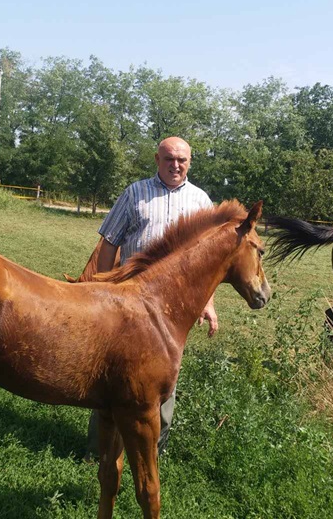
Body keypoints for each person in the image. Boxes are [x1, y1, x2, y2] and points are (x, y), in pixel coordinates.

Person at [86, 136, 217, 459]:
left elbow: (211, 262)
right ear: (157, 159)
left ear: (190, 162)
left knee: (163, 377)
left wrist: (209, 303)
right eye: (169, 158)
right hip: (130, 301)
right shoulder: (135, 193)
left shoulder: (202, 202)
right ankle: (100, 452)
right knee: (114, 372)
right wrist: (102, 289)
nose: (175, 165)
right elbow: (109, 243)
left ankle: (152, 453)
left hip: (175, 310)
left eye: (182, 160)